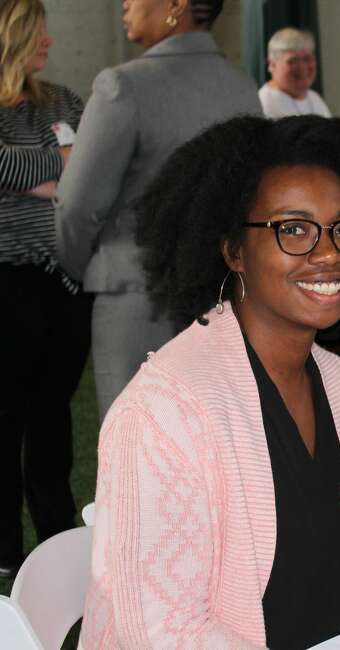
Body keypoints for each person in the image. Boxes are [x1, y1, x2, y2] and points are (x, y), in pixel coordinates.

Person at [80, 115, 340, 647]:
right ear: (234, 251)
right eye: (294, 229)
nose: (329, 253)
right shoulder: (165, 413)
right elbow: (165, 632)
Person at [55, 0, 262, 421]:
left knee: (139, 450)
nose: (125, 3)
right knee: (211, 447)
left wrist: (84, 267)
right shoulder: (244, 88)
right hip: (221, 298)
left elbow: (77, 207)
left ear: (176, 5)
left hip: (137, 300)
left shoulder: (122, 87)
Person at [0, 0, 92, 580]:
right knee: (4, 422)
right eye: (38, 33)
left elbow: (91, 169)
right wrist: (54, 168)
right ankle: (7, 555)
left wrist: (48, 174)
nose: (50, 42)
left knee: (53, 420)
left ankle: (58, 547)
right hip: (5, 285)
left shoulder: (64, 100)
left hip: (66, 285)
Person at [259, 27, 331, 119]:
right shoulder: (263, 104)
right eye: (293, 60)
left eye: (307, 59)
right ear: (272, 65)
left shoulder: (314, 98)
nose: (302, 67)